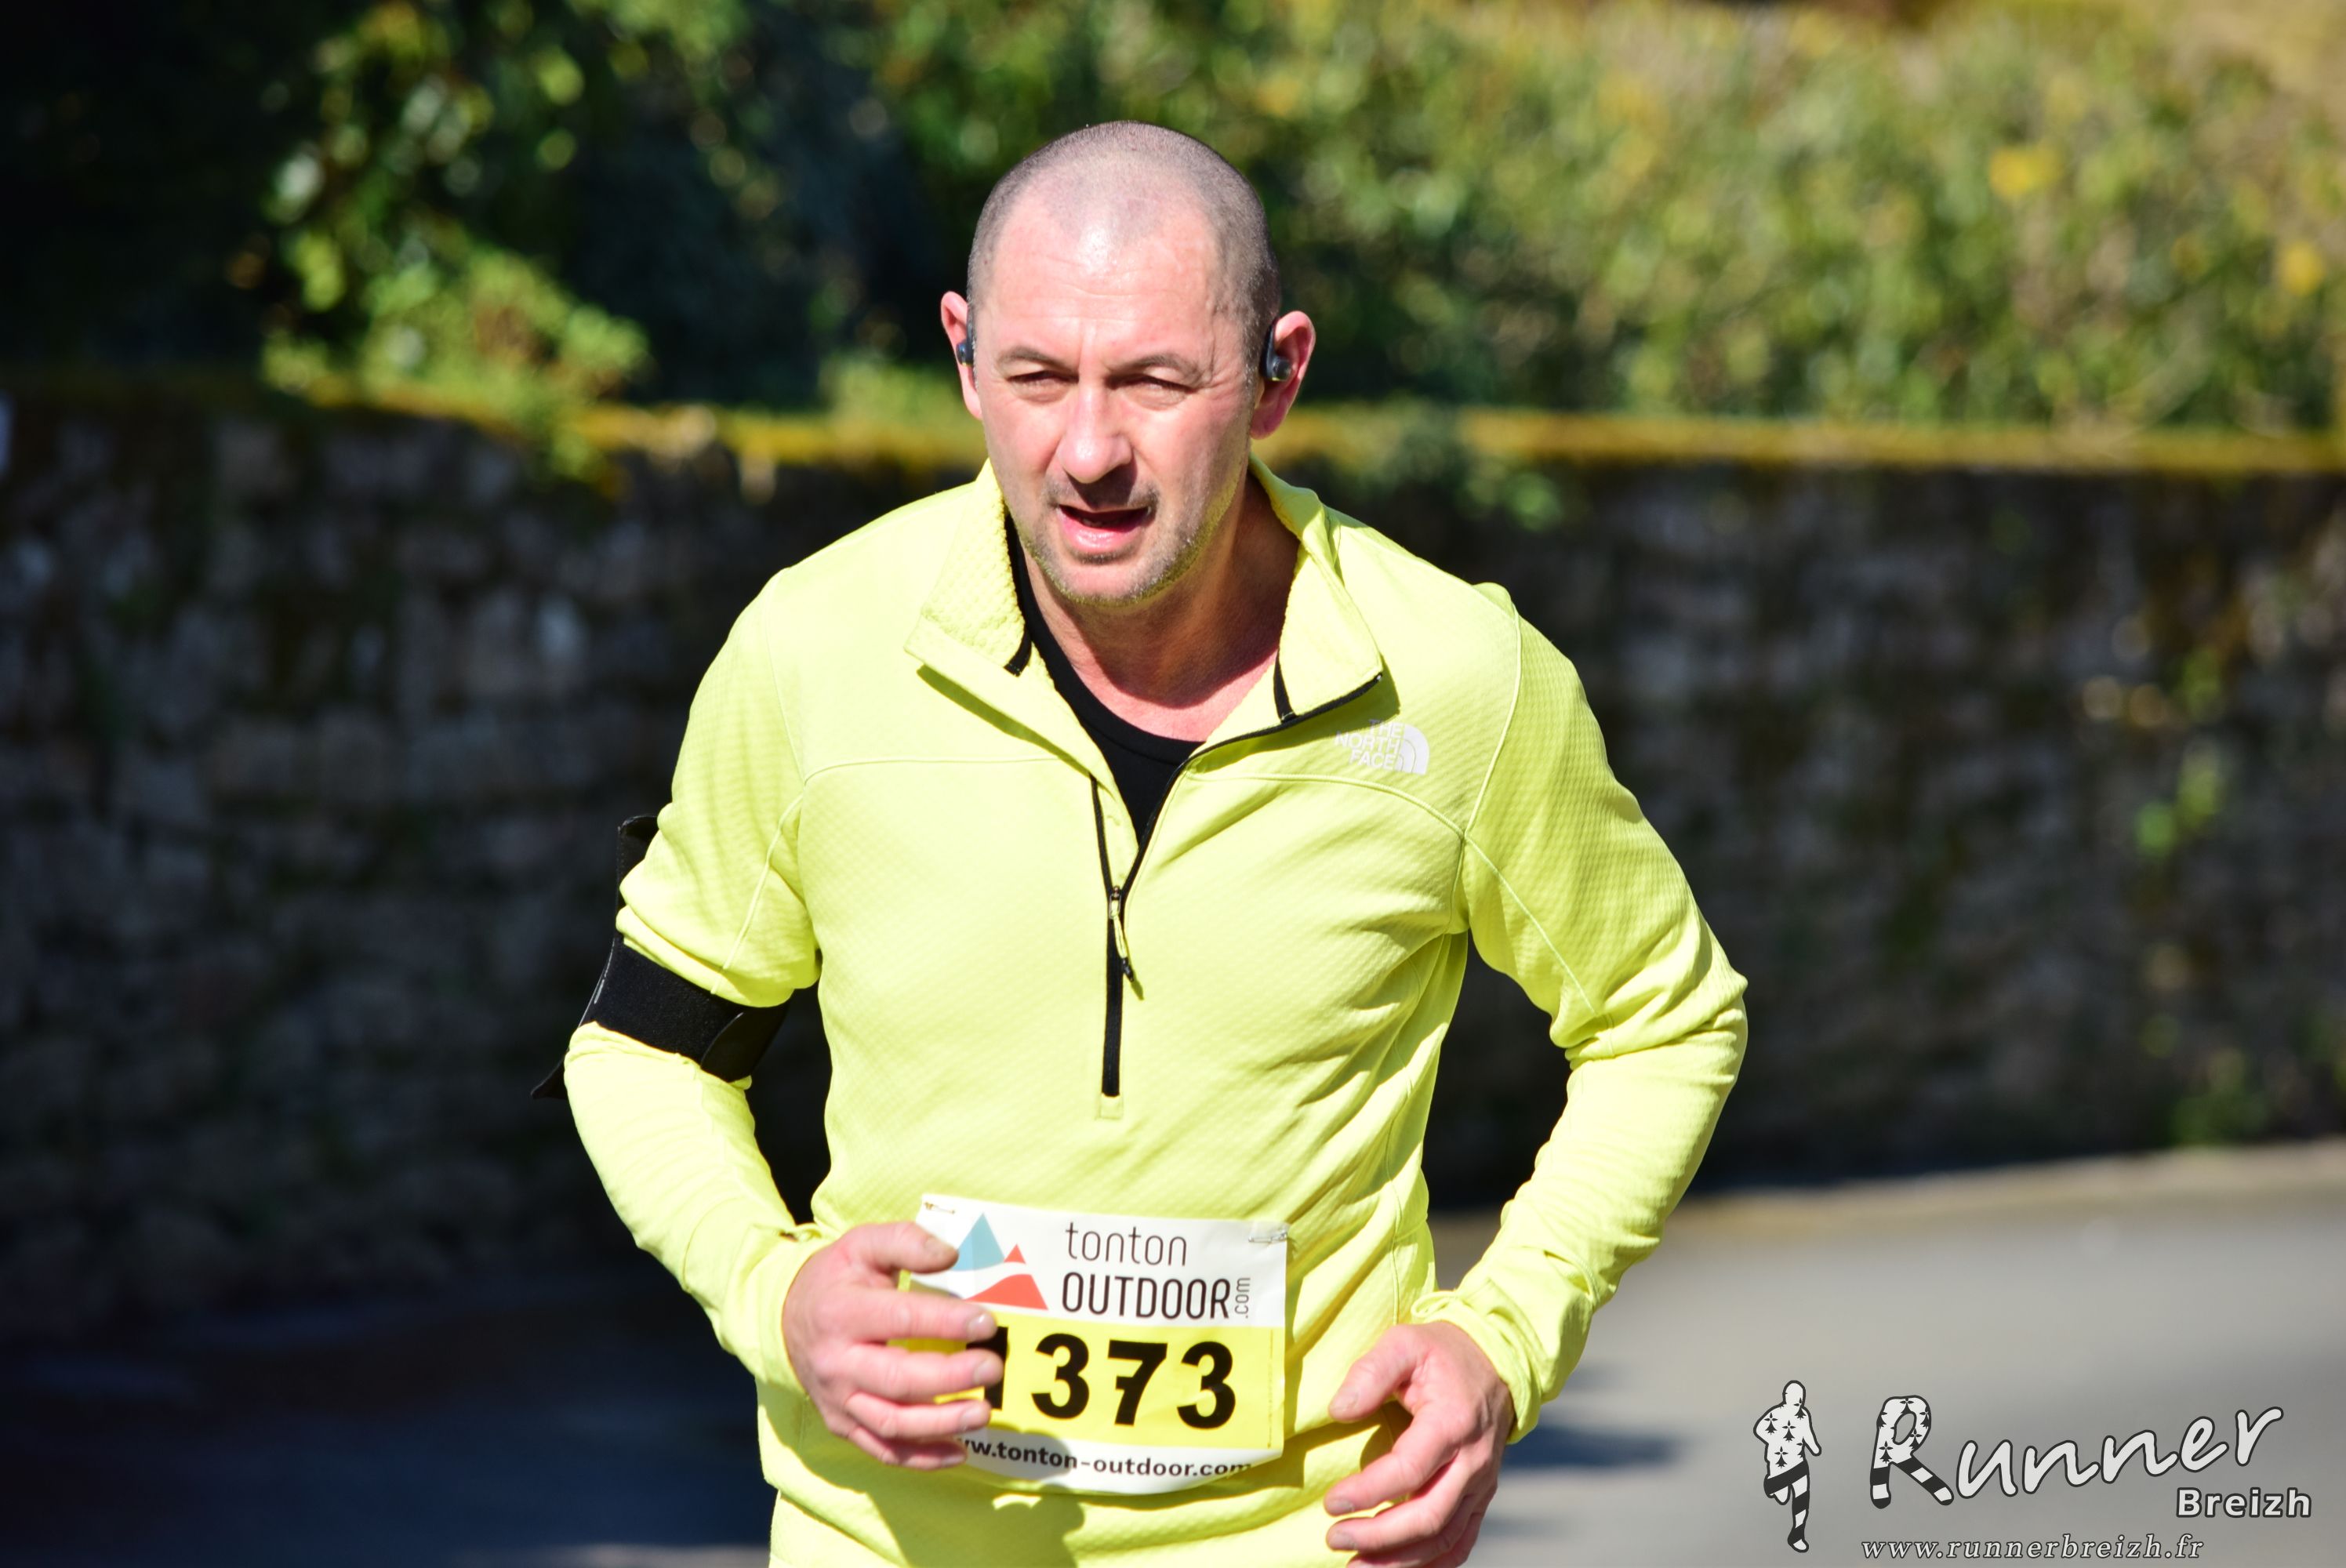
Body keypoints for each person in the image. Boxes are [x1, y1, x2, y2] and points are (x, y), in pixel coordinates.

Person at [559, 121, 1747, 1568]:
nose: (1089, 453)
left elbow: (1664, 1021)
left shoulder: (1456, 685)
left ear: (1277, 376)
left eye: (1156, 383)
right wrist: (772, 1290)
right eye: (1036, 377)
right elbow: (648, 1050)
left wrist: (1504, 1335)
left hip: (1312, 1540)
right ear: (962, 356)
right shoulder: (815, 654)